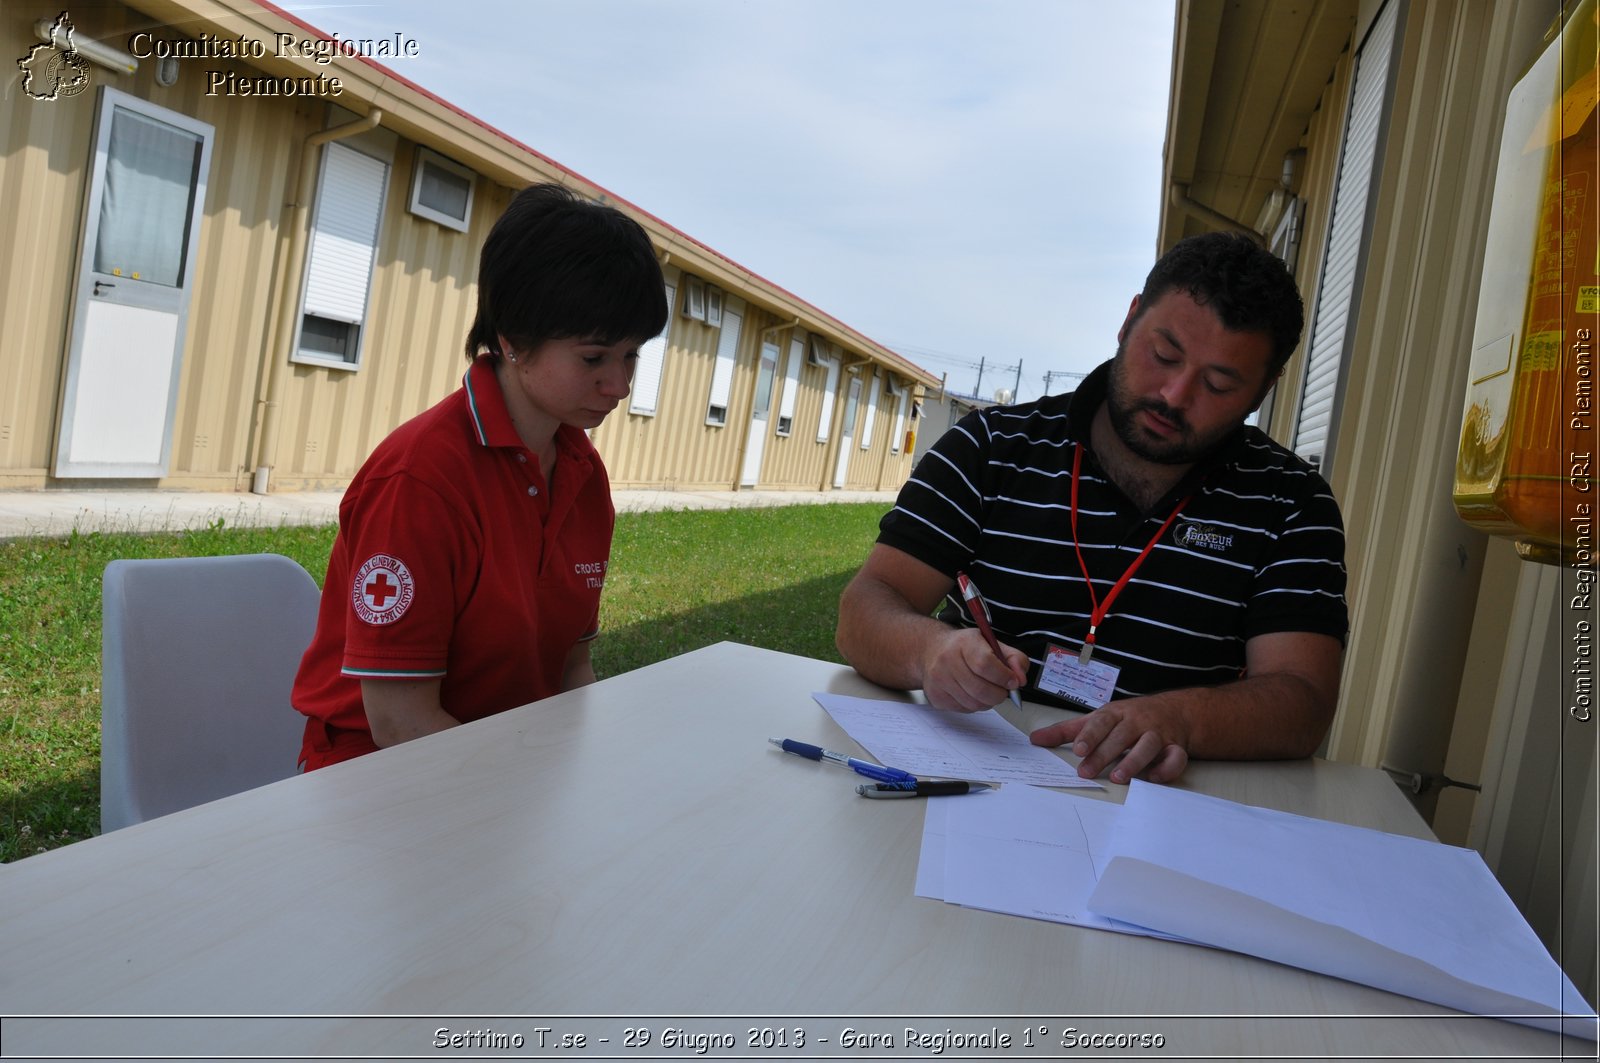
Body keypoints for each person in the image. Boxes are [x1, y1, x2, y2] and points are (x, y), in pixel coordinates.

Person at [836, 231, 1347, 785]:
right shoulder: (990, 448)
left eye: (1219, 384)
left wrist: (1180, 718)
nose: (1174, 395)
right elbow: (865, 609)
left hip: (1154, 795)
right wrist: (930, 652)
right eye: (1164, 355)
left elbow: (1304, 701)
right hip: (966, 769)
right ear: (1129, 321)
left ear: (1264, 389)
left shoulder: (1292, 502)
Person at [292, 183, 667, 770]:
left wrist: (592, 771)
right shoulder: (421, 479)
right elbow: (398, 721)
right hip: (375, 777)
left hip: (509, 764)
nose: (618, 385)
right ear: (514, 339)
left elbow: (571, 668)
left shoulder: (581, 472)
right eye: (594, 358)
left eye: (632, 356)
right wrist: (525, 794)